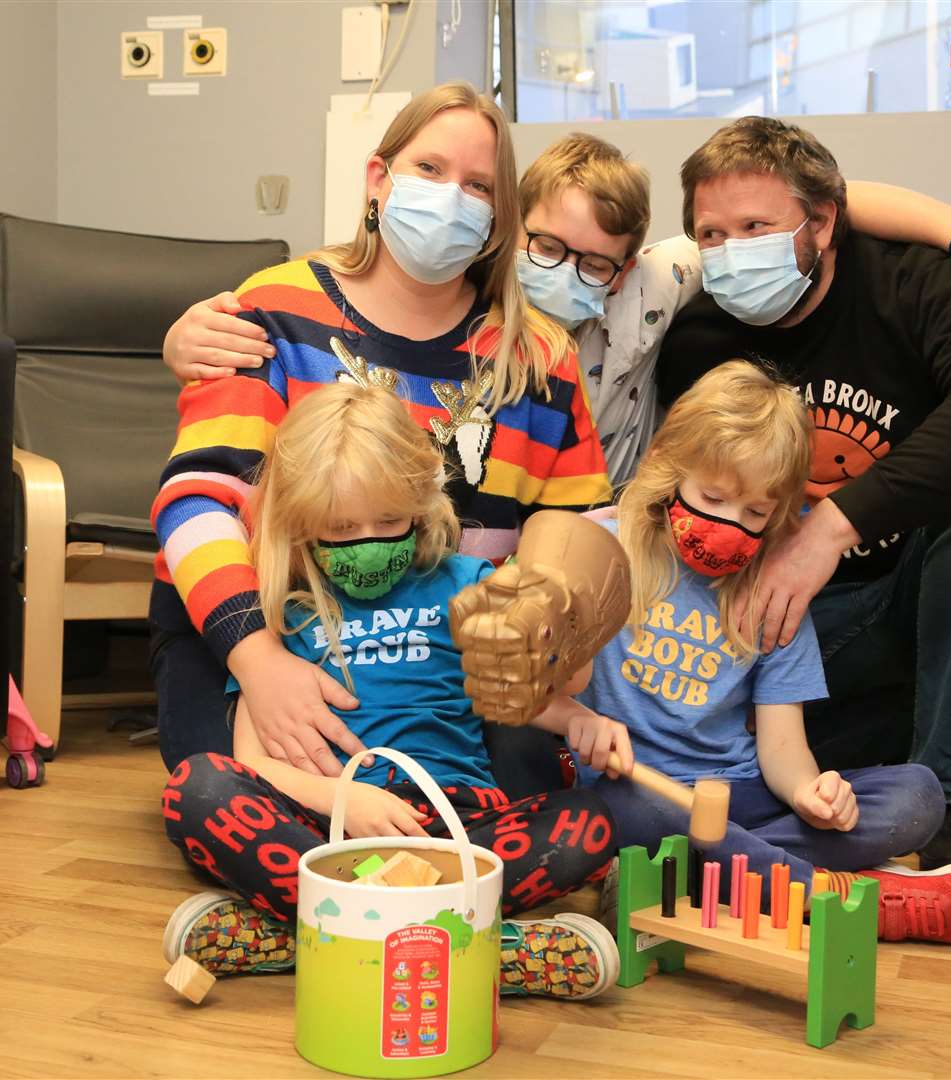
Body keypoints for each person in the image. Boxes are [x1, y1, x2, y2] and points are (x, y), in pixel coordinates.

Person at [148, 82, 609, 797]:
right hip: (269, 627)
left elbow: (573, 522)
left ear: (499, 220)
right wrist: (259, 661)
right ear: (378, 178)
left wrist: (546, 624)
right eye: (430, 169)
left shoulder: (540, 357)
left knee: (529, 791)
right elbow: (193, 502)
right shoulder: (271, 310)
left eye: (480, 186)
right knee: (243, 789)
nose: (453, 197)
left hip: (444, 651)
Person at [163, 135, 951, 488]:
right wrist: (182, 334)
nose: (564, 272)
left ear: (628, 261)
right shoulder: (463, 286)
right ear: (509, 232)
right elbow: (351, 297)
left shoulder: (662, 281)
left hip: (613, 523)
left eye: (594, 260)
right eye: (545, 248)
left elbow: (802, 206)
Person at [655, 116, 951, 882]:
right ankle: (838, 777)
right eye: (710, 234)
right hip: (785, 627)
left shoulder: (911, 282)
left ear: (823, 223)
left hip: (920, 592)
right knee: (787, 762)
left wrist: (830, 530)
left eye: (756, 227)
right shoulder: (696, 339)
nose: (732, 251)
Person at [161, 381, 620, 999]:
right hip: (332, 832)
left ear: (422, 504)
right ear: (301, 525)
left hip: (455, 829)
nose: (368, 541)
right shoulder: (287, 616)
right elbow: (252, 762)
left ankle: (308, 942)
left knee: (586, 824)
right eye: (341, 527)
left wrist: (578, 721)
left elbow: (526, 688)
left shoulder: (468, 585)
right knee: (198, 789)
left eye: (389, 520)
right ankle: (483, 953)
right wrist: (343, 802)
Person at [539, 361, 951, 944]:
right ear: (670, 469)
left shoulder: (772, 591)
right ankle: (838, 898)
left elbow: (783, 747)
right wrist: (578, 718)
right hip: (639, 790)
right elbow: (523, 693)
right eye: (713, 496)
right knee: (618, 813)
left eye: (757, 513)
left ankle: (694, 876)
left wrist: (813, 794)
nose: (731, 523)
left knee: (918, 795)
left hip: (740, 798)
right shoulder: (603, 551)